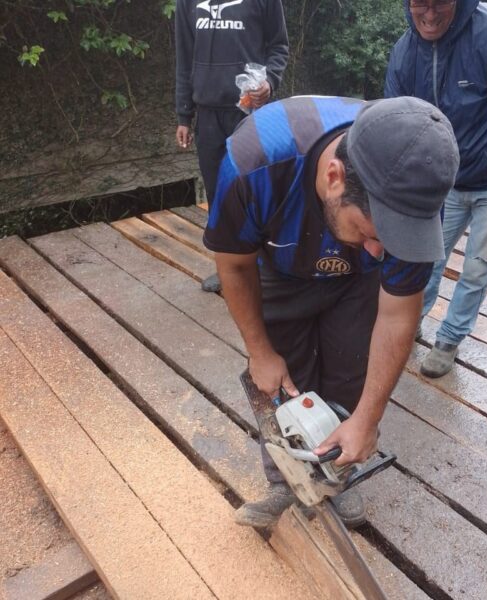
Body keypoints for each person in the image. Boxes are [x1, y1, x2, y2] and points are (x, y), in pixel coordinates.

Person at [203, 95, 459, 528]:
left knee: (351, 370)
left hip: (358, 283)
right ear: (335, 177)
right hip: (279, 268)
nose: (381, 250)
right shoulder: (253, 164)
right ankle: (286, 479)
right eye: (370, 231)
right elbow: (234, 264)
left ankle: (338, 472)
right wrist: (259, 351)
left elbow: (398, 316)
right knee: (283, 380)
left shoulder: (415, 192)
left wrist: (367, 420)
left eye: (393, 240)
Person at [385, 0, 487, 378]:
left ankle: (449, 339)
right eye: (420, 4)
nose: (429, 15)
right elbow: (394, 123)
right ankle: (410, 322)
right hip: (440, 182)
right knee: (424, 262)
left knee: (477, 268)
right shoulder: (405, 51)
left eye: (440, 3)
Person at [175, 0, 289, 292]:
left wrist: (270, 81)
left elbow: (279, 46)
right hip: (207, 115)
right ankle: (228, 272)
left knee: (259, 192)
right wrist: (184, 115)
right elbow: (184, 57)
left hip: (250, 112)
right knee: (218, 196)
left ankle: (267, 270)